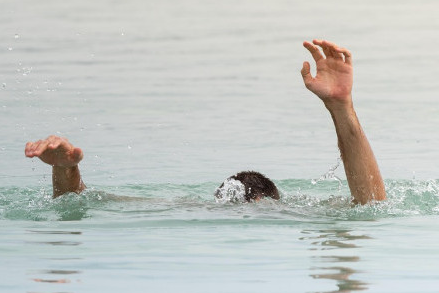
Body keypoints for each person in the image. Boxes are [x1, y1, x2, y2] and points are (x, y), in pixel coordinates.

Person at [25, 40, 386, 205]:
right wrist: (342, 108)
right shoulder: (296, 214)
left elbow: (79, 203)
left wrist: (66, 172)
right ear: (271, 202)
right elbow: (371, 204)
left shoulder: (184, 207)